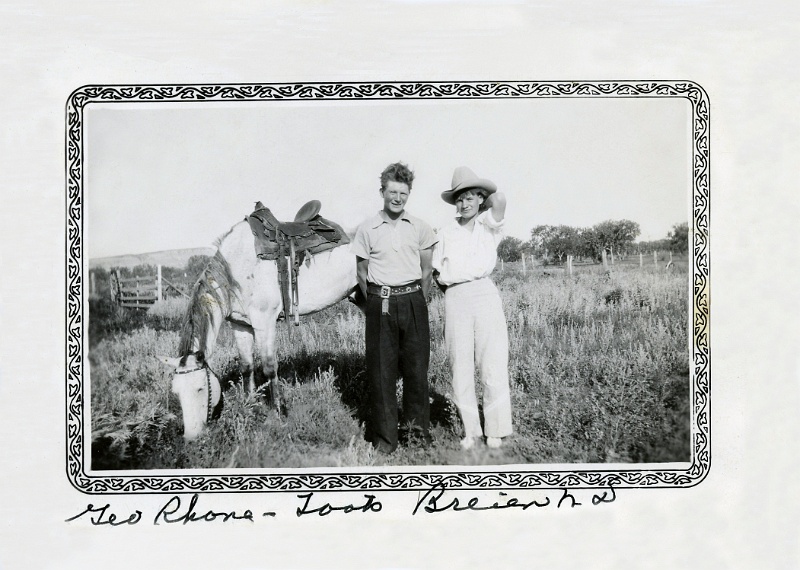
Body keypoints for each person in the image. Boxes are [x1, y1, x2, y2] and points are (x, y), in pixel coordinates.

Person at [352, 162, 438, 454]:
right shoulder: (367, 228)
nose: (397, 198)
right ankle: (385, 441)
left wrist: (417, 301)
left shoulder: (421, 228)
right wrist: (377, 301)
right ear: (382, 192)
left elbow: (427, 272)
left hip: (414, 301)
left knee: (416, 370)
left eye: (403, 192)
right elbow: (361, 274)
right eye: (392, 191)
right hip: (380, 303)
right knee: (381, 372)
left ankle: (416, 438)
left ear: (409, 193)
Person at [432, 166, 512, 450]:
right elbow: (437, 273)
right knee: (460, 365)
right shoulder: (444, 233)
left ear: (480, 199)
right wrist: (454, 293)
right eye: (459, 199)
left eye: (470, 197)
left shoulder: (488, 227)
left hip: (485, 293)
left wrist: (484, 195)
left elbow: (499, 199)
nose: (464, 204)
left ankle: (496, 429)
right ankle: (471, 431)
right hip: (455, 296)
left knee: (492, 361)